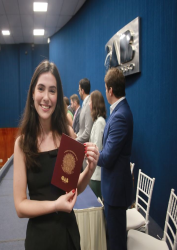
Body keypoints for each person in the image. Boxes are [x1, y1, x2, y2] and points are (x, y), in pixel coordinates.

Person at [13, 60, 99, 250]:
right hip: (40, 238)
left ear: (58, 96)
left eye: (52, 91)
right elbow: (20, 206)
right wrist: (55, 205)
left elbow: (73, 187)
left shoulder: (67, 135)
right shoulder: (22, 144)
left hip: (68, 233)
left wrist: (90, 170)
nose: (46, 97)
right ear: (32, 94)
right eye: (41, 89)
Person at [97, 68, 133, 250]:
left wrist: (92, 154)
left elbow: (108, 157)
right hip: (114, 188)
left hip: (116, 191)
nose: (105, 91)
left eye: (105, 88)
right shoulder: (119, 111)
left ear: (110, 90)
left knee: (117, 242)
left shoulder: (120, 116)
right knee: (113, 237)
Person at [88, 90, 106, 199]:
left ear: (94, 103)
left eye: (90, 101)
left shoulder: (99, 122)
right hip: (95, 173)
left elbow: (97, 149)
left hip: (97, 175)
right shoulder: (97, 121)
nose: (89, 104)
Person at [76, 78, 93, 143]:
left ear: (82, 91)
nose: (79, 92)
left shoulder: (88, 104)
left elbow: (87, 132)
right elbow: (82, 130)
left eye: (79, 90)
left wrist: (75, 140)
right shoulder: (84, 104)